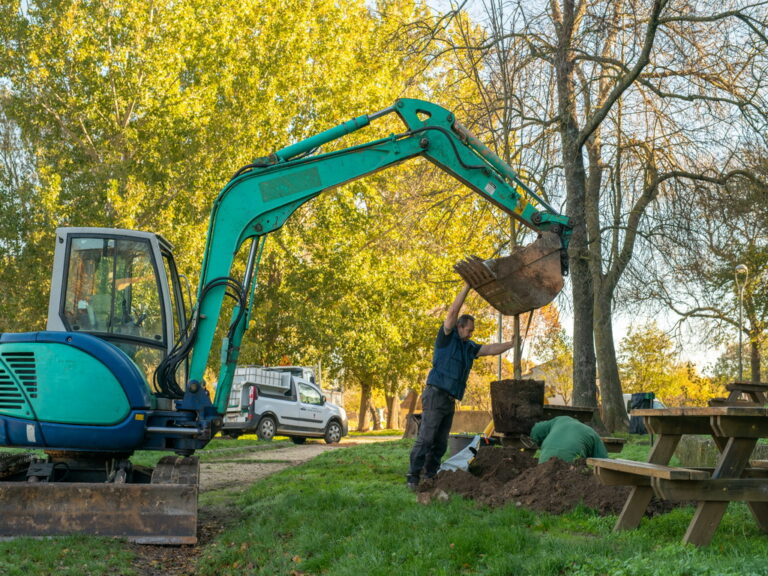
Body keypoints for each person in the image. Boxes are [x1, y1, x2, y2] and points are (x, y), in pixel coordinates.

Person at [407, 283, 515, 490]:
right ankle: (413, 477)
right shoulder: (447, 337)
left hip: (449, 400)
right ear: (460, 326)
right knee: (427, 438)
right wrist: (467, 287)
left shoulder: (469, 347)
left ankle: (430, 475)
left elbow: (491, 349)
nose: (472, 333)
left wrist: (510, 344)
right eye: (469, 329)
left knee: (440, 442)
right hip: (435, 394)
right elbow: (453, 311)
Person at [529, 415, 608, 463]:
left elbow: (536, 429)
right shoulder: (592, 433)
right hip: (571, 469)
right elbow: (603, 461)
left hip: (543, 465)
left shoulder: (559, 420)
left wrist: (537, 441)